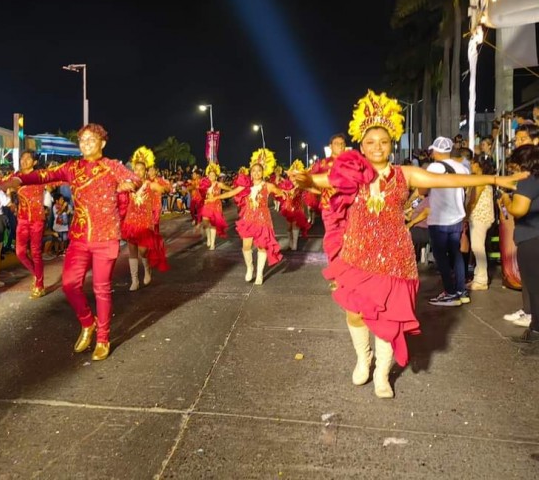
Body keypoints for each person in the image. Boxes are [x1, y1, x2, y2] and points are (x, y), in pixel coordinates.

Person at [292, 91, 527, 398]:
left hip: (394, 256)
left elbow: (450, 182)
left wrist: (494, 181)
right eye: (371, 142)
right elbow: (318, 182)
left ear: (392, 145)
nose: (377, 148)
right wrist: (305, 181)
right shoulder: (350, 174)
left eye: (383, 142)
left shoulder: (406, 174)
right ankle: (364, 358)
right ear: (361, 146)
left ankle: (382, 374)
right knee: (355, 313)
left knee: (389, 319)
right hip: (357, 255)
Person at [1, 123, 139, 361]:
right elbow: (44, 175)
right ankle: (88, 322)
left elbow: (133, 178)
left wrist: (130, 184)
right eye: (83, 140)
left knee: (101, 288)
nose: (86, 144)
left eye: (91, 140)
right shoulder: (72, 168)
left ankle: (103, 338)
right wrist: (19, 180)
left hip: (106, 236)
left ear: (102, 143)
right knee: (69, 284)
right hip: (79, 237)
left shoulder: (111, 167)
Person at [207, 149, 285, 285]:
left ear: (263, 172)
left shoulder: (268, 185)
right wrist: (216, 197)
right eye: (253, 170)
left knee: (262, 247)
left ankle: (260, 274)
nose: (256, 173)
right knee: (246, 246)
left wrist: (285, 193)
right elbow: (231, 193)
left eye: (259, 170)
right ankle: (250, 267)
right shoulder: (246, 187)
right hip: (248, 219)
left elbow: (280, 192)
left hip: (263, 219)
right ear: (250, 172)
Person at [419, 137, 472, 307]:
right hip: (457, 216)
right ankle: (461, 291)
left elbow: (423, 189)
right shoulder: (462, 168)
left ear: (436, 151)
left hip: (440, 218)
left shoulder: (435, 167)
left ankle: (450, 293)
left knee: (441, 257)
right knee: (456, 254)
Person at [499, 145, 538, 335]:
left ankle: (536, 326)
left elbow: (518, 209)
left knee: (533, 284)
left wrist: (506, 200)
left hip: (531, 237)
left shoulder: (528, 180)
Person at [120, 147, 169, 291]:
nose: (138, 172)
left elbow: (163, 189)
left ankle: (147, 269)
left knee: (143, 251)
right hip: (131, 221)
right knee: (132, 250)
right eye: (136, 169)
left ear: (145, 171)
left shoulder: (149, 184)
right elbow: (118, 188)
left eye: (141, 169)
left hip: (145, 222)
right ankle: (134, 280)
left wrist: (165, 188)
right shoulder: (130, 184)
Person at [10, 150, 55, 299]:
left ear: (34, 162)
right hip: (22, 219)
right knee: (20, 252)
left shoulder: (40, 175)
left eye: (28, 158)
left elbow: (53, 184)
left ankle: (39, 285)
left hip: (37, 219)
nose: (24, 160)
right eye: (22, 158)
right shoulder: (16, 176)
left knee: (36, 252)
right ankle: (37, 275)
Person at [466, 155, 496, 291]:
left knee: (478, 248)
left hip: (479, 216)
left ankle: (482, 279)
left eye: (473, 163)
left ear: (479, 166)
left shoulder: (480, 181)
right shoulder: (482, 180)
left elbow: (473, 200)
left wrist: (465, 215)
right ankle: (478, 276)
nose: (471, 166)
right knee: (477, 247)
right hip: (481, 216)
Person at [198, 162, 231, 250]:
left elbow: (230, 190)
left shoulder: (219, 184)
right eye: (210, 175)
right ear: (207, 176)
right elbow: (200, 193)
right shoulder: (204, 184)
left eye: (213, 175)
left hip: (216, 206)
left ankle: (212, 243)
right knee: (205, 224)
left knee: (213, 225)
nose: (211, 176)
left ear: (216, 176)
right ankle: (208, 238)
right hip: (207, 205)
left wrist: (226, 194)